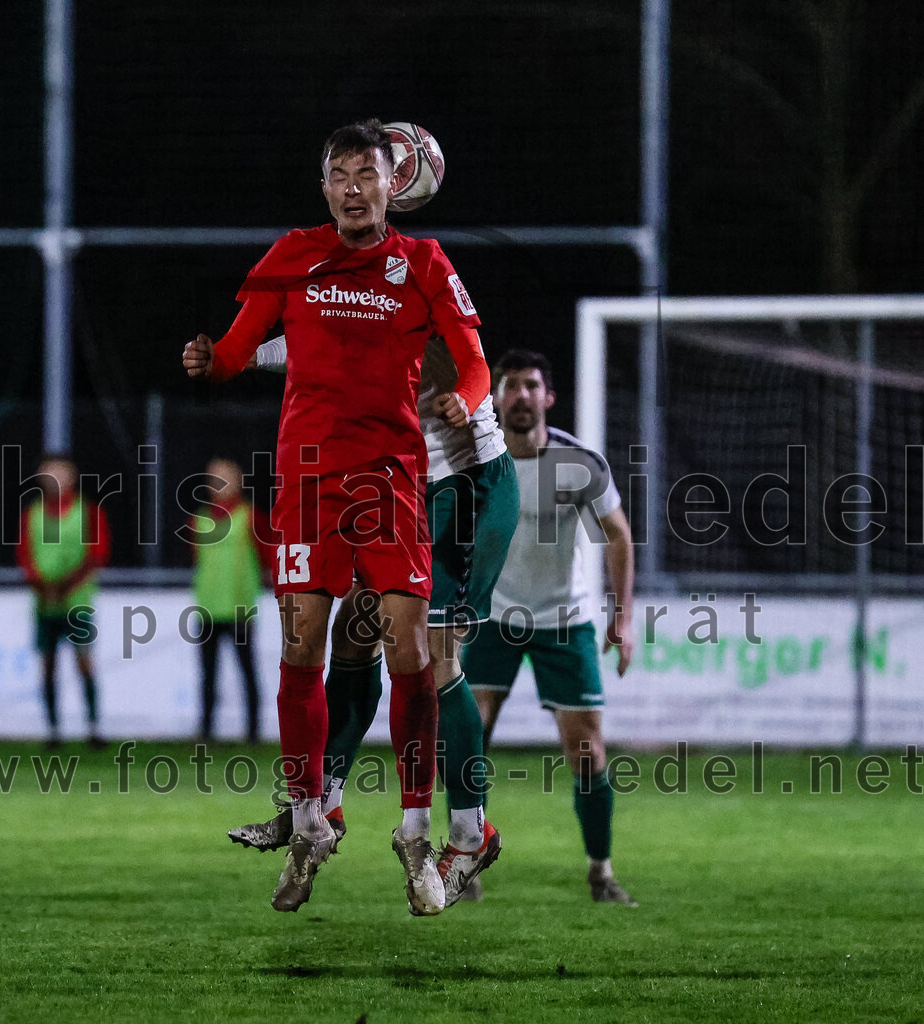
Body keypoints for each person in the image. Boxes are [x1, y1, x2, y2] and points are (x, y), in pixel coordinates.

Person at [182, 118, 491, 915]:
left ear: (396, 184)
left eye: (367, 174)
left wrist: (466, 397)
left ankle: (415, 832)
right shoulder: (293, 254)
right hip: (307, 480)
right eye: (340, 176)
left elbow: (474, 359)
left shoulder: (422, 262)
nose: (354, 188)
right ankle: (309, 816)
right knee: (301, 646)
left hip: (389, 480)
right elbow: (239, 347)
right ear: (325, 187)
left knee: (408, 649)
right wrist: (210, 359)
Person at [228, 332, 519, 907]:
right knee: (354, 635)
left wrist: (464, 393)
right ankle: (324, 802)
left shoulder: (416, 282)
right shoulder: (354, 302)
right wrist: (242, 353)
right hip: (402, 489)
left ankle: (468, 833)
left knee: (435, 657)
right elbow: (316, 342)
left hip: (463, 485)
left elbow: (472, 358)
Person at [462, 349, 638, 906]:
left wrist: (623, 617)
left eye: (530, 385)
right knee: (466, 739)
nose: (519, 395)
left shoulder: (578, 463)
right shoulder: (474, 460)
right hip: (493, 618)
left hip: (566, 620)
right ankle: (463, 864)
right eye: (508, 385)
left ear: (548, 397)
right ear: (493, 398)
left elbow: (618, 536)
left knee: (586, 749)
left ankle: (601, 871)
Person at [17, 454, 110, 749]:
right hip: (44, 602)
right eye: (48, 472)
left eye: (60, 471)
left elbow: (98, 553)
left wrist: (68, 584)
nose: (54, 477)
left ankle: (93, 727)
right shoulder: (32, 513)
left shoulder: (88, 511)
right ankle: (53, 730)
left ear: (72, 476)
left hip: (77, 602)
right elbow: (25, 555)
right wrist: (42, 585)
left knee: (84, 662)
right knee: (47, 665)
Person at [189, 456, 265, 744]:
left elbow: (266, 557)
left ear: (238, 481)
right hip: (208, 607)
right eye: (214, 477)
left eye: (225, 476)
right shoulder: (198, 518)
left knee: (247, 670)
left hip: (240, 608)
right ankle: (206, 730)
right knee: (208, 674)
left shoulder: (250, 516)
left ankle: (253, 732)